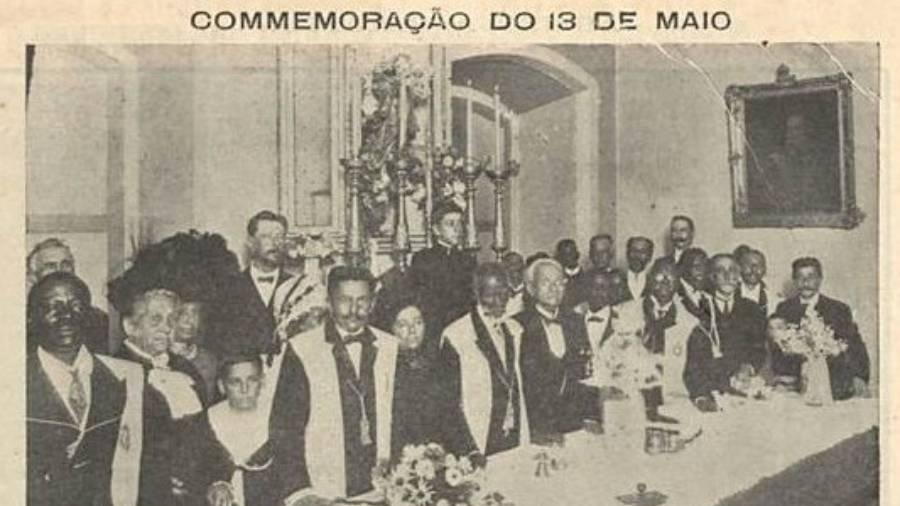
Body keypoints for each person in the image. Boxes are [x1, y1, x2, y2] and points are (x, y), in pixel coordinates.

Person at [269, 266, 400, 502]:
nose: (353, 310)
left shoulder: (391, 346)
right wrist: (302, 493)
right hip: (324, 492)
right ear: (329, 302)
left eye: (362, 301)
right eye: (344, 301)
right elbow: (286, 428)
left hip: (381, 490)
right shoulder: (302, 349)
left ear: (373, 303)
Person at [27, 273, 143, 506]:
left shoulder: (124, 377)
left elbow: (134, 462)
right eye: (53, 306)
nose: (66, 316)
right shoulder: (12, 382)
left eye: (76, 305)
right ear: (31, 317)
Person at [113, 288, 207, 505]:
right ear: (130, 326)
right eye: (156, 320)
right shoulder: (116, 371)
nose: (166, 328)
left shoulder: (186, 369)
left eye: (171, 319)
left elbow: (204, 432)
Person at [441, 263, 530, 457]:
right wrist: (470, 450)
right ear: (476, 295)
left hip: (513, 437)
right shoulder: (456, 335)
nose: (499, 301)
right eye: (491, 294)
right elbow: (449, 405)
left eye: (503, 292)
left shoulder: (515, 329)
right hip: (480, 442)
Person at [180, 355, 280, 506]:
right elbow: (190, 473)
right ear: (221, 386)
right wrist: (213, 485)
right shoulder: (201, 424)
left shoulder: (280, 421)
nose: (244, 389)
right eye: (235, 382)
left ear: (263, 382)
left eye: (252, 380)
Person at [771, 257, 870, 400]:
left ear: (820, 279)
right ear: (794, 280)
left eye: (811, 277)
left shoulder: (839, 309)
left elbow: (855, 346)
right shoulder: (785, 309)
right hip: (795, 385)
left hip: (834, 385)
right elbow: (777, 348)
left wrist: (859, 377)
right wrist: (781, 377)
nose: (805, 282)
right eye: (800, 277)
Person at [388, 301, 476, 460]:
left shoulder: (436, 365)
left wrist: (471, 451)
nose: (412, 330)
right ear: (392, 329)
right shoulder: (385, 370)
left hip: (439, 459)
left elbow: (452, 414)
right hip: (402, 462)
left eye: (418, 322)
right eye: (403, 325)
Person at [516, 258, 592, 438]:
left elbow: (582, 372)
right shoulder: (517, 325)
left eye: (559, 283)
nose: (554, 288)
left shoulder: (576, 321)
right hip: (535, 425)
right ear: (531, 288)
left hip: (573, 423)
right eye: (546, 283)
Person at [683, 254, 766, 411]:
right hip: (706, 392)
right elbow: (692, 363)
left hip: (742, 389)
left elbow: (758, 349)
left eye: (733, 270)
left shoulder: (753, 309)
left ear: (739, 276)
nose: (728, 276)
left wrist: (748, 367)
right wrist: (701, 397)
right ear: (712, 277)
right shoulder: (698, 308)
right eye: (720, 271)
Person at [220, 211, 294, 357]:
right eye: (266, 236)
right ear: (250, 242)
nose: (275, 243)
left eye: (280, 237)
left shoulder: (297, 286)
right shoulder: (227, 288)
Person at [408, 202, 477, 353]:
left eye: (460, 223)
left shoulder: (467, 260)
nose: (457, 229)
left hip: (462, 329)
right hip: (434, 330)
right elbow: (420, 299)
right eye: (450, 224)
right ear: (436, 229)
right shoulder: (423, 259)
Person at [27, 238, 110, 353]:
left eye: (66, 264)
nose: (59, 271)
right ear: (33, 277)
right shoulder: (21, 323)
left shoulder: (99, 321)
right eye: (50, 266)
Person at [640, 259, 698, 403]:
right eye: (660, 275)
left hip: (674, 400)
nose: (665, 281)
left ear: (678, 283)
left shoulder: (690, 323)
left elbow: (696, 371)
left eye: (671, 276)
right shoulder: (625, 312)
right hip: (632, 399)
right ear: (649, 279)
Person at [676, 247, 710, 319]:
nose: (702, 271)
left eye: (705, 266)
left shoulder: (706, 294)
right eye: (696, 266)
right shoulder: (674, 293)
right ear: (682, 269)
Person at [737, 248, 772, 315]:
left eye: (759, 266)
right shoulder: (731, 294)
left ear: (765, 270)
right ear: (740, 268)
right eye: (748, 265)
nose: (753, 270)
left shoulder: (772, 298)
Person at [556, 238, 588, 311]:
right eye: (564, 254)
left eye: (571, 253)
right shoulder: (557, 280)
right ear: (559, 257)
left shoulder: (588, 277)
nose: (568, 258)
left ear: (577, 254)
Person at [623, 236, 654, 301]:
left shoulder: (654, 282)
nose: (637, 255)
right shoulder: (617, 279)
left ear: (650, 256)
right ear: (627, 254)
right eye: (634, 250)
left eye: (643, 251)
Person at [501, 251, 527, 317]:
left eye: (519, 263)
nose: (517, 267)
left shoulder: (530, 291)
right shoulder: (498, 291)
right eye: (512, 264)